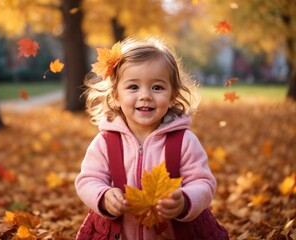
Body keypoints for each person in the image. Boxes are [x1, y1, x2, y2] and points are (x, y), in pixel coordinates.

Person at [75, 37, 227, 239]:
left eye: (157, 87)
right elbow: (88, 179)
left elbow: (203, 182)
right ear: (115, 96)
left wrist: (185, 200)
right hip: (119, 233)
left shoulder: (184, 141)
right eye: (133, 87)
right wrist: (103, 196)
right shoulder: (105, 142)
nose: (145, 95)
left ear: (172, 95)